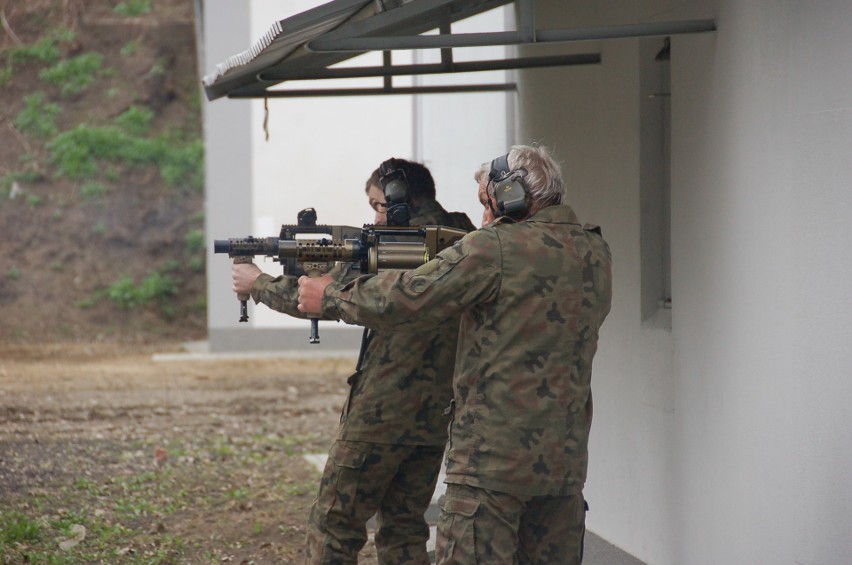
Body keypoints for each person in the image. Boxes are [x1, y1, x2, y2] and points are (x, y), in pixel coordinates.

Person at [297, 145, 613, 564]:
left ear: (514, 197)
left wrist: (330, 295)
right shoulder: (594, 251)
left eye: (488, 203)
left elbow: (408, 298)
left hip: (490, 466)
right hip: (563, 468)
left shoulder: (495, 247)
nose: (483, 217)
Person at [232, 158, 476, 564]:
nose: (375, 216)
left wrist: (257, 283)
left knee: (335, 525)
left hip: (380, 414)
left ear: (400, 199)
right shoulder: (464, 241)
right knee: (404, 528)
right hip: (435, 416)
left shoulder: (401, 243)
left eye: (378, 204)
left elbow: (326, 298)